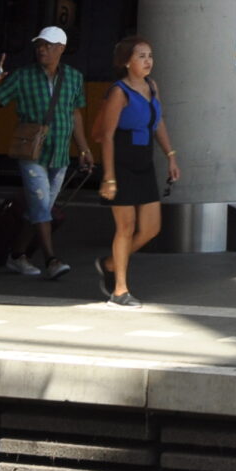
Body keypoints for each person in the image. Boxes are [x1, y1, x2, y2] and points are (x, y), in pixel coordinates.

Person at [0, 25, 93, 279]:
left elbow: (75, 113)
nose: (42, 49)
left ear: (61, 49)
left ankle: (17, 255)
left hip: (61, 155)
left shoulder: (74, 78)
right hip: (31, 154)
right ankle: (51, 260)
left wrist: (84, 148)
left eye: (48, 45)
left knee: (39, 209)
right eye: (39, 45)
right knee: (42, 209)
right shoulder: (23, 76)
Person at [91, 35, 179, 309]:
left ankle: (108, 263)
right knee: (126, 228)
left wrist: (171, 156)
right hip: (121, 162)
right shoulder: (119, 91)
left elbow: (158, 121)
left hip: (144, 162)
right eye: (141, 56)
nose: (147, 61)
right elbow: (106, 136)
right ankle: (119, 290)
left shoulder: (151, 86)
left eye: (149, 55)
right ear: (126, 62)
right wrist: (109, 176)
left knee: (152, 228)